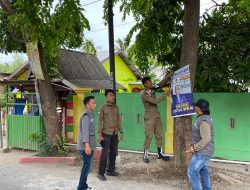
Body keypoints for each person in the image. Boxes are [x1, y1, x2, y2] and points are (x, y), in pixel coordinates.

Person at [186, 99, 214, 190]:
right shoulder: (203, 118)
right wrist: (192, 144)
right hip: (203, 151)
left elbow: (206, 139)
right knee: (203, 172)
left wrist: (194, 147)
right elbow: (198, 136)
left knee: (192, 171)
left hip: (202, 153)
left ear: (199, 108)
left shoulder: (203, 121)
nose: (194, 107)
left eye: (196, 106)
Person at [141, 76, 170, 163]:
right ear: (145, 84)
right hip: (149, 117)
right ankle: (145, 155)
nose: (151, 83)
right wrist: (165, 94)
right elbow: (154, 101)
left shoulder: (152, 89)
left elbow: (160, 84)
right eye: (149, 82)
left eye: (151, 82)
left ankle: (160, 154)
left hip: (157, 116)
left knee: (159, 134)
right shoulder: (144, 94)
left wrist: (168, 77)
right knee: (149, 136)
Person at [97, 89, 123, 181]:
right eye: (110, 95)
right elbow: (100, 121)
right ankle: (100, 173)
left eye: (113, 95)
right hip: (106, 134)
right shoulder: (102, 107)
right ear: (106, 97)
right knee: (104, 153)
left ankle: (110, 170)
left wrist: (121, 132)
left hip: (115, 133)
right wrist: (99, 134)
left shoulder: (116, 107)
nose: (112, 97)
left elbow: (119, 120)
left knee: (113, 152)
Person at [77, 96, 96, 190]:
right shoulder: (86, 115)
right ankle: (81, 187)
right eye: (92, 103)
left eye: (95, 102)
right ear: (87, 105)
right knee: (86, 167)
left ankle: (83, 185)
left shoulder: (90, 114)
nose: (95, 104)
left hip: (89, 145)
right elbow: (85, 131)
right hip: (86, 146)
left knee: (87, 167)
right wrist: (87, 145)